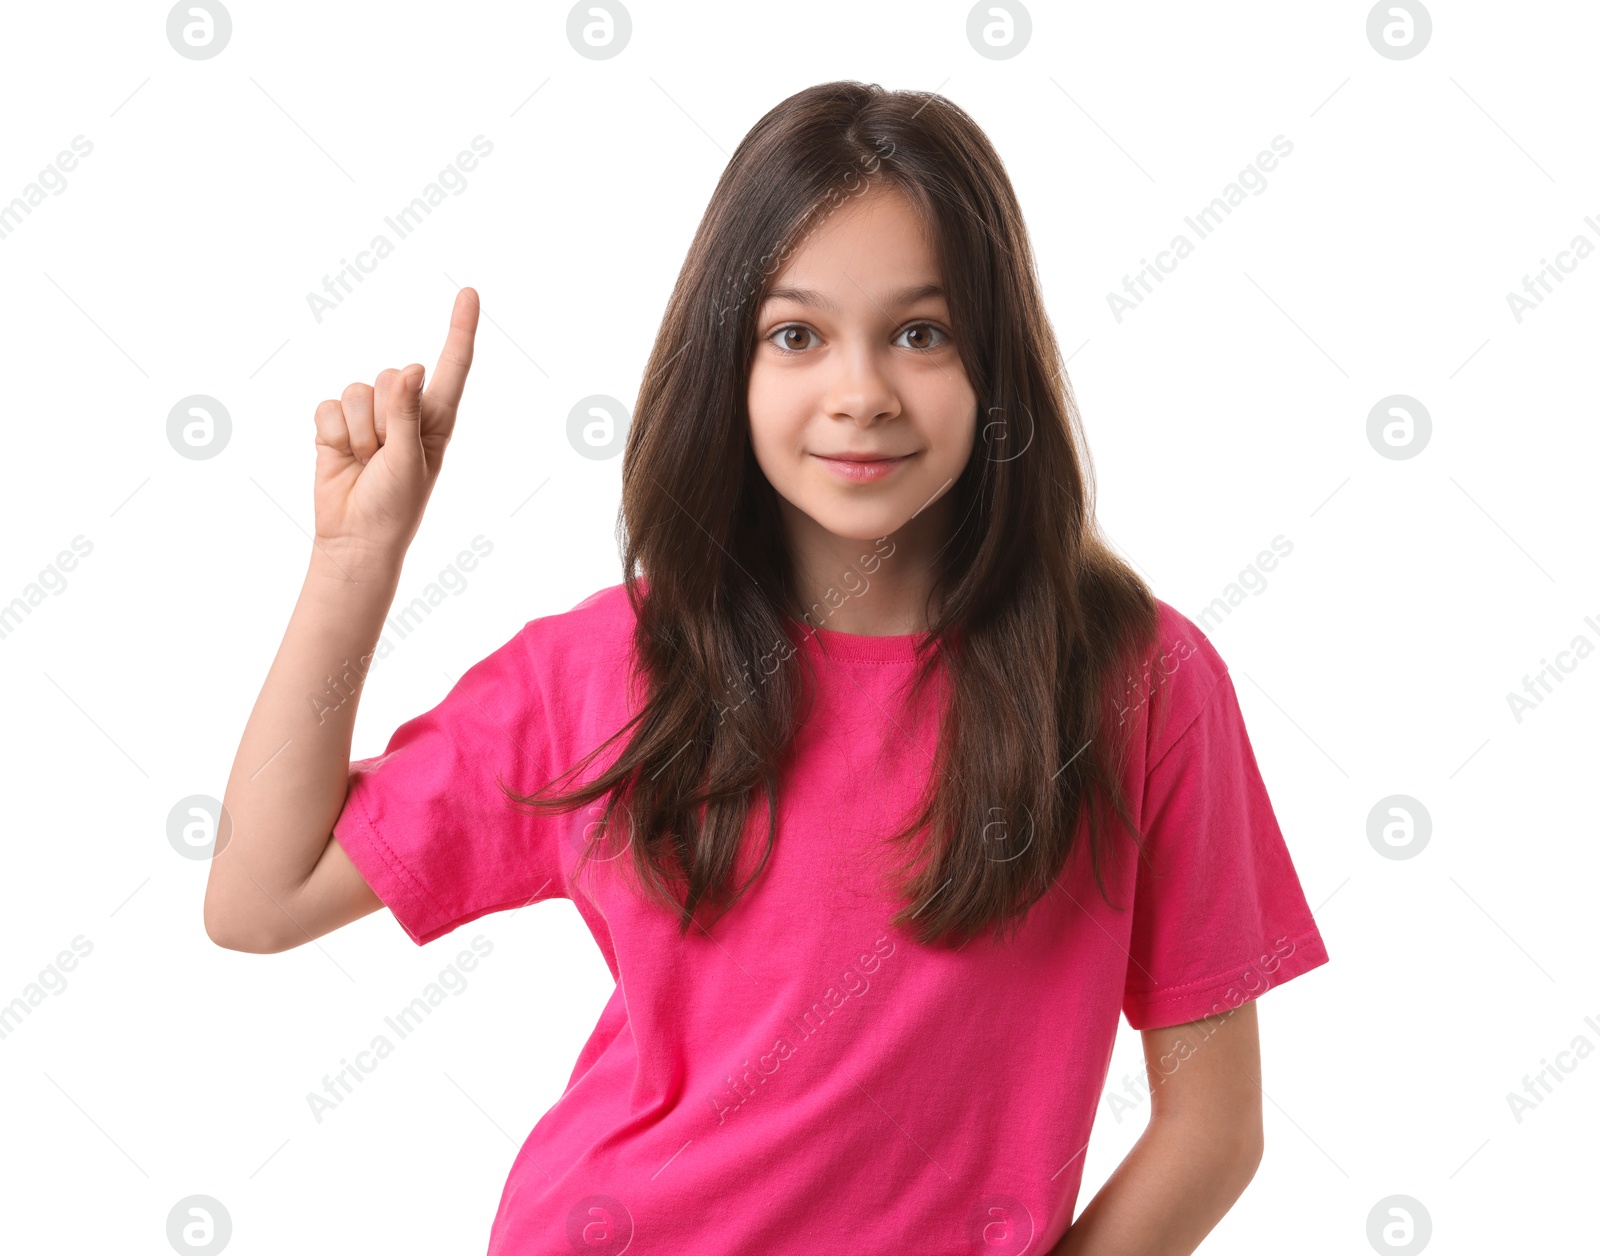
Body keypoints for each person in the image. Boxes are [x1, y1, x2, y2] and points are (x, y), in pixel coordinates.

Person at [206, 80, 1329, 1256]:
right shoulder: (604, 666)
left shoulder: (1138, 680)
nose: (861, 393)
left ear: (996, 363)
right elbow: (257, 897)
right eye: (796, 335)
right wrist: (355, 557)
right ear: (726, 365)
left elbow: (1214, 1126)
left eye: (922, 331)